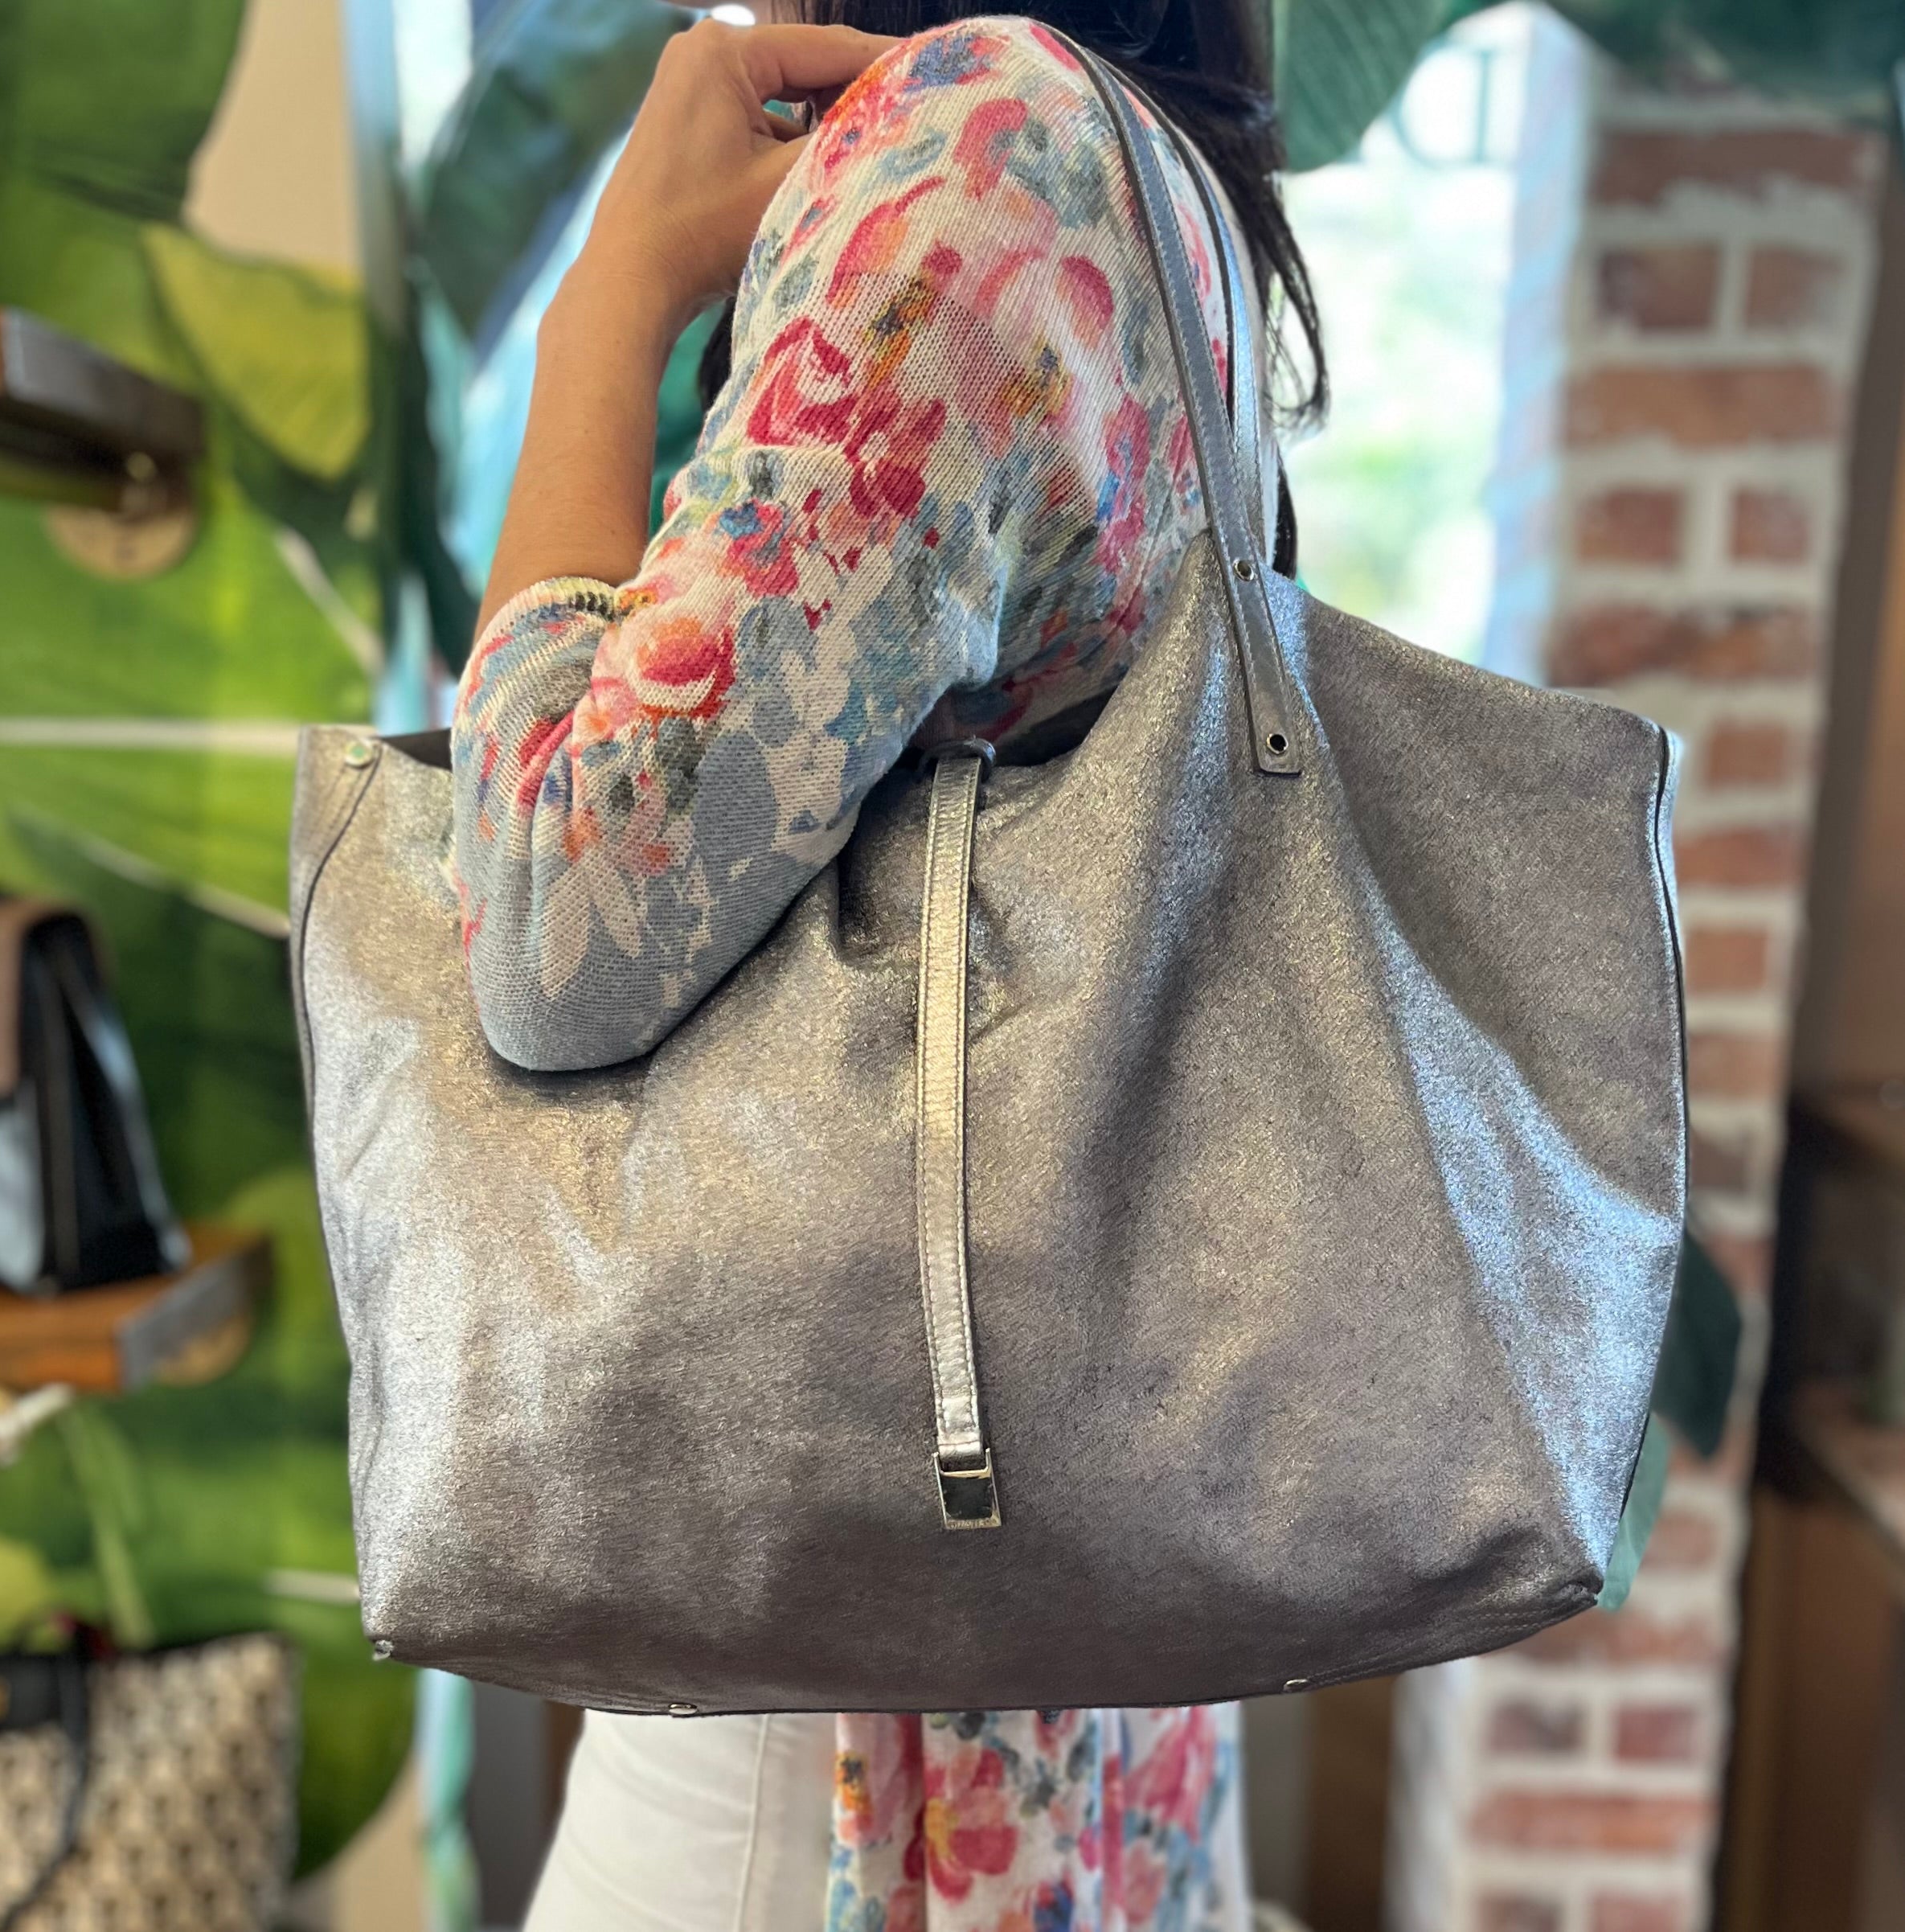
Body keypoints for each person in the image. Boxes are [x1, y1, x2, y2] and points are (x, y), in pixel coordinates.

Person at [452, 2, 1323, 1925]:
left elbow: (543, 921)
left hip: (833, 1726)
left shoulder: (978, 134)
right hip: (1074, 1643)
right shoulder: (1159, 181)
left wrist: (611, 297)